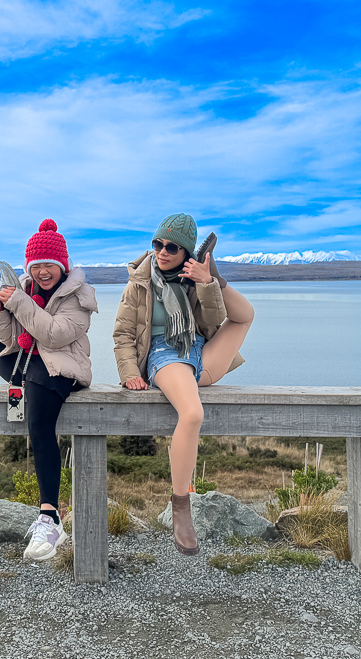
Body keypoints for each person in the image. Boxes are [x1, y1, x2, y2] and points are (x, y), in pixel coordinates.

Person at [113, 213, 254, 555]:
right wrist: (129, 371)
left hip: (197, 351)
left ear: (186, 253)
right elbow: (123, 335)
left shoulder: (192, 281)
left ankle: (216, 272)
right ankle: (181, 504)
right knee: (192, 414)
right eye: (157, 244)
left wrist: (209, 281)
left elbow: (219, 320)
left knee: (246, 316)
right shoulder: (140, 283)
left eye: (171, 247)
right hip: (164, 355)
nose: (162, 252)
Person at [0, 219, 98, 560]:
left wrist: (17, 302)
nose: (43, 272)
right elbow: (9, 339)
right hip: (30, 366)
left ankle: (50, 517)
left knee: (41, 427)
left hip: (63, 368)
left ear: (63, 266)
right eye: (36, 266)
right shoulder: (26, 292)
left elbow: (54, 335)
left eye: (50, 265)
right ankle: (25, 383)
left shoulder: (79, 297)